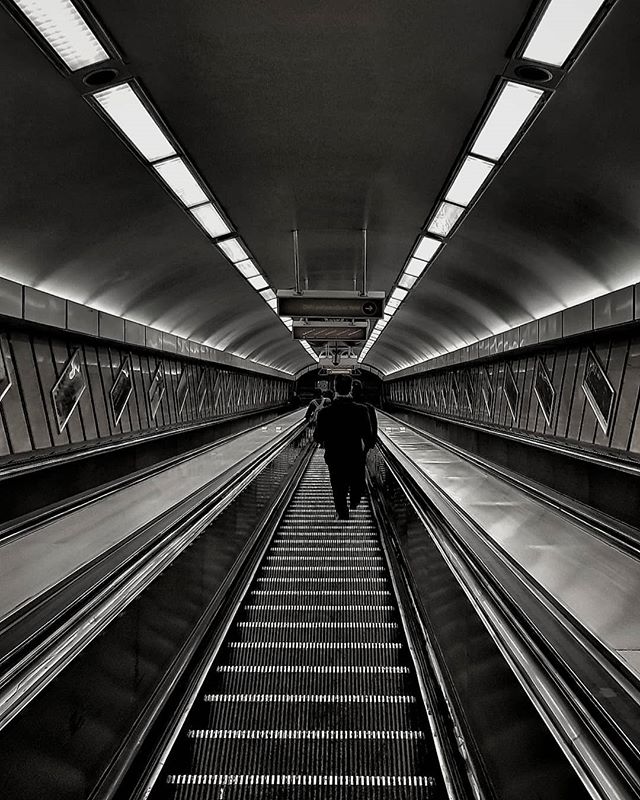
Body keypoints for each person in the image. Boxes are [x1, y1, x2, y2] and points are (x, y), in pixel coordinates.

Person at [314, 374, 373, 520]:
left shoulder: (325, 413)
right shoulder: (361, 410)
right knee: (355, 480)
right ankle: (354, 502)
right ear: (350, 388)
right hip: (355, 455)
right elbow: (368, 436)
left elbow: (317, 437)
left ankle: (342, 512)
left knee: (338, 486)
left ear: (334, 389)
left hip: (334, 456)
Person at [351, 380, 377, 451]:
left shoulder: (342, 407)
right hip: (363, 443)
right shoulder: (369, 408)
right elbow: (373, 427)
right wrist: (372, 443)